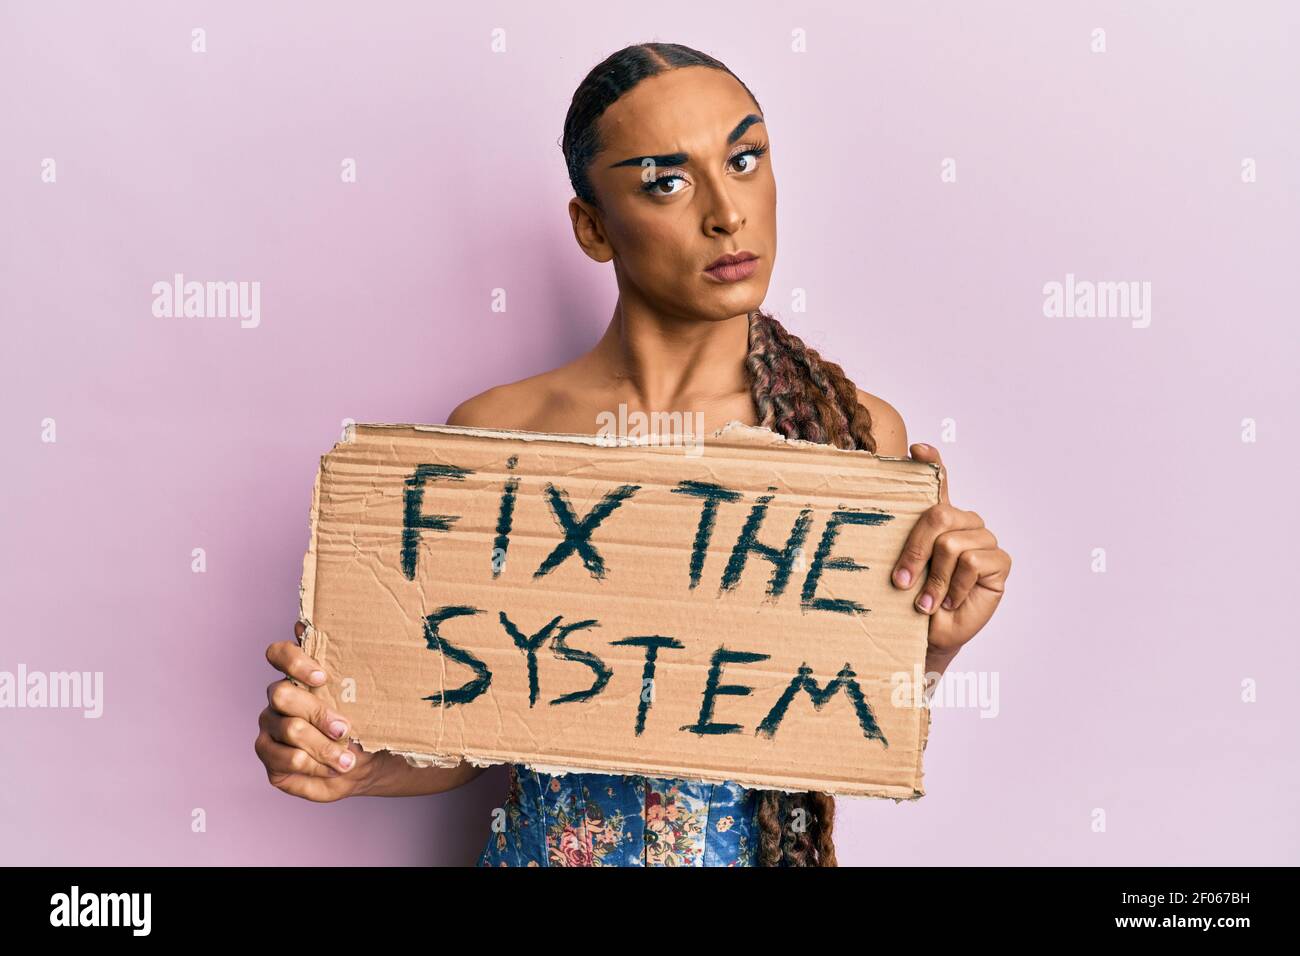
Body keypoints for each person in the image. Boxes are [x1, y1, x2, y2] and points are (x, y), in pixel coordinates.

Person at [255, 42, 1012, 866]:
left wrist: (934, 648)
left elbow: (836, 719)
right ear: (591, 227)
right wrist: (350, 763)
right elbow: (474, 725)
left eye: (745, 158)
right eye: (667, 181)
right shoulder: (500, 436)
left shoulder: (848, 438)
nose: (727, 212)